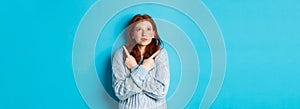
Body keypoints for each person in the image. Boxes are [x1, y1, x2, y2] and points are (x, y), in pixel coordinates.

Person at [112, 14, 170, 109]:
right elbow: (120, 92)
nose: (144, 34)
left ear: (154, 33)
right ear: (132, 34)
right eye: (139, 30)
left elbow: (161, 91)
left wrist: (135, 68)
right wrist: (143, 69)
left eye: (148, 29)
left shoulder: (161, 54)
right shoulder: (120, 54)